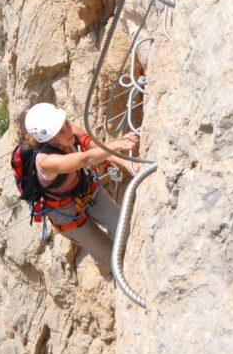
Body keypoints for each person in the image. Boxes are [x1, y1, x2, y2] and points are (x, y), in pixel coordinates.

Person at [16, 102, 140, 266]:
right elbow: (85, 158)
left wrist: (125, 162)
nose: (68, 130)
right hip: (65, 213)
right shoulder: (45, 161)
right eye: (61, 131)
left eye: (66, 123)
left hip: (87, 190)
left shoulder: (64, 130)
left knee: (126, 229)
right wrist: (116, 144)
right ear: (50, 139)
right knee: (112, 258)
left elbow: (90, 144)